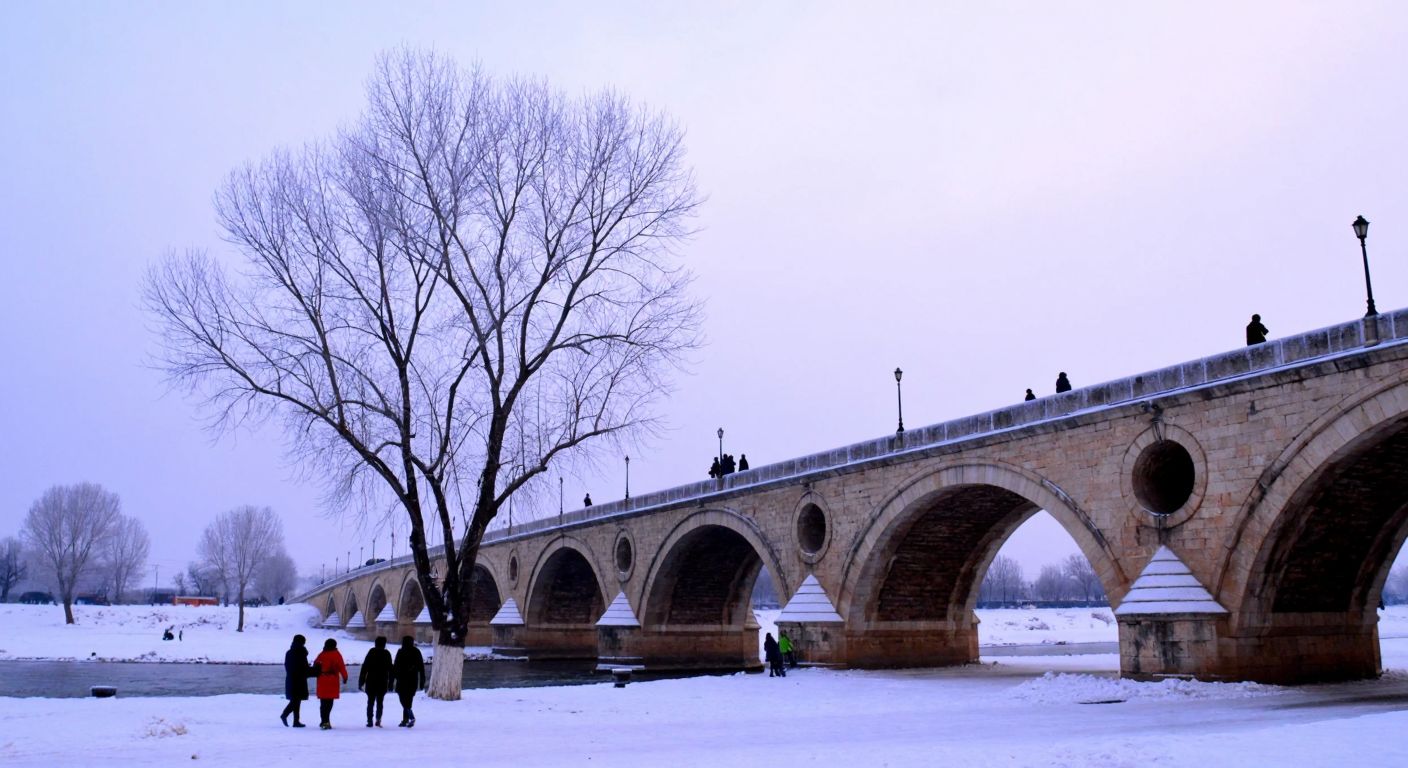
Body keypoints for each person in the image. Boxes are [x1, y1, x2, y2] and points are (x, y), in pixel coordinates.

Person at [358, 636, 394, 727]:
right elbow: (391, 669)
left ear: (375, 643)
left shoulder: (371, 652)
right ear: (384, 644)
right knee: (380, 702)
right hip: (382, 681)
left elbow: (364, 667)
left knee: (370, 702)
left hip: (371, 681)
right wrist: (391, 683)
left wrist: (361, 681)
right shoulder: (387, 654)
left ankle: (369, 720)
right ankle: (378, 719)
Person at [313, 638, 348, 730]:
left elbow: (315, 665)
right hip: (332, 680)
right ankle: (326, 721)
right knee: (329, 702)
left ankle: (324, 721)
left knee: (323, 702)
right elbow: (342, 667)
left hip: (322, 680)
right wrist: (345, 677)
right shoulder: (336, 654)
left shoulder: (321, 654)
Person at [392, 635, 426, 728]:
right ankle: (407, 718)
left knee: (404, 699)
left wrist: (392, 679)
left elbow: (395, 666)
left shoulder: (401, 651)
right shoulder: (416, 652)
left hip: (402, 680)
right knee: (408, 700)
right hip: (411, 680)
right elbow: (421, 668)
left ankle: (407, 719)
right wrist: (422, 680)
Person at [280, 634, 313, 727]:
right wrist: (315, 670)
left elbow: (288, 665)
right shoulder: (301, 652)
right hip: (299, 680)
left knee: (296, 700)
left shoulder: (289, 652)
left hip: (291, 679)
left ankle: (295, 721)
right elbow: (304, 667)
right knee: (296, 701)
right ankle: (285, 715)